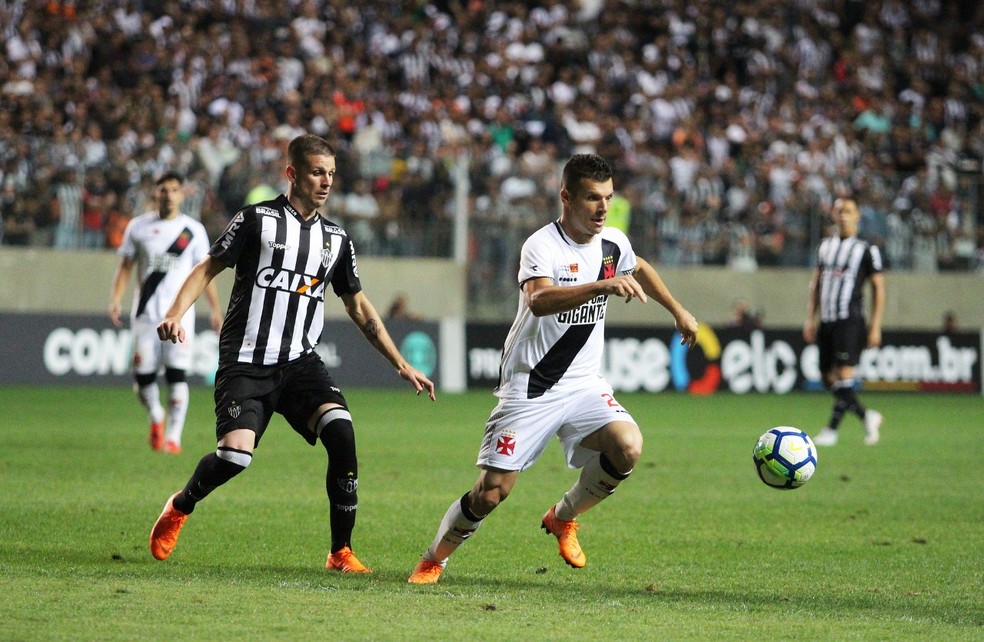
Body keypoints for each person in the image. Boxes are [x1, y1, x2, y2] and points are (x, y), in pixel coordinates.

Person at [149, 134, 436, 572]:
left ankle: (340, 551)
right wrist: (174, 313)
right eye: (318, 172)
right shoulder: (256, 220)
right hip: (245, 360)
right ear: (293, 174)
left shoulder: (336, 239)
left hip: (300, 362)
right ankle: (181, 504)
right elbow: (208, 266)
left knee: (342, 432)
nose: (326, 182)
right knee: (235, 458)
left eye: (332, 174)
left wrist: (399, 363)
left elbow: (357, 304)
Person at [407, 154, 698, 584]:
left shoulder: (613, 243)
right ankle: (435, 557)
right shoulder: (542, 245)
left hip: (582, 384)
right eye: (592, 198)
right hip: (532, 385)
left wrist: (677, 310)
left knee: (628, 445)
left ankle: (563, 517)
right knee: (491, 492)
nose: (603, 208)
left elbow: (640, 267)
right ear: (566, 197)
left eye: (609, 198)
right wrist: (600, 285)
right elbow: (539, 300)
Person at [109, 171, 224, 454]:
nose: (169, 195)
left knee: (177, 375)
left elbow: (204, 272)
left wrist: (216, 309)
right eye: (164, 190)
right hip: (146, 314)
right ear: (155, 194)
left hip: (180, 316)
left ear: (182, 194)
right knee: (142, 379)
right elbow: (126, 266)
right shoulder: (138, 227)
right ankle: (156, 416)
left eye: (174, 190)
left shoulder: (192, 231)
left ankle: (173, 438)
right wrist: (115, 298)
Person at [803, 196, 886, 447]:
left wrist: (875, 325)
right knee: (828, 376)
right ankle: (866, 415)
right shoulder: (825, 246)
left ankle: (831, 430)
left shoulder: (866, 249)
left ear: (858, 215)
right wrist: (810, 318)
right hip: (826, 320)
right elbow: (816, 284)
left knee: (844, 375)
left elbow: (878, 288)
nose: (842, 215)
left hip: (849, 319)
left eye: (848, 210)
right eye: (839, 210)